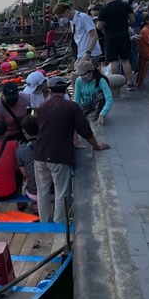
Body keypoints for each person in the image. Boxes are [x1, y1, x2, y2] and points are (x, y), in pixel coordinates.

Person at [35, 77, 110, 223]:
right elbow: (85, 130)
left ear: (50, 90)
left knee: (42, 191)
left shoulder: (42, 106)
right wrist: (96, 146)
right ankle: (59, 223)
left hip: (39, 154)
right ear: (65, 90)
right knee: (61, 191)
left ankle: (44, 222)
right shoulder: (71, 107)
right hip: (58, 155)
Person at [96, 0, 136, 90]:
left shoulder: (104, 9)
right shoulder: (125, 6)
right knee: (125, 60)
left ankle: (115, 85)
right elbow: (132, 20)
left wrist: (106, 31)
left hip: (110, 37)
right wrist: (125, 25)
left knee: (113, 61)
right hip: (124, 35)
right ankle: (130, 82)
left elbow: (99, 26)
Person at [74, 60, 113, 126]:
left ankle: (97, 113)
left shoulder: (101, 81)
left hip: (97, 103)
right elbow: (77, 98)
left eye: (83, 75)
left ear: (90, 72)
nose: (81, 77)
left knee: (101, 95)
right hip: (86, 104)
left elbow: (109, 99)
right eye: (80, 75)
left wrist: (102, 114)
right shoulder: (78, 81)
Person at [16, 115, 39, 213]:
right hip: (54, 193)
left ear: (24, 132)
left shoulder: (20, 150)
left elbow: (25, 175)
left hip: (33, 193)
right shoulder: (48, 144)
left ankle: (34, 204)